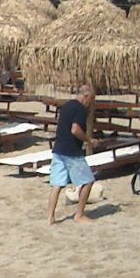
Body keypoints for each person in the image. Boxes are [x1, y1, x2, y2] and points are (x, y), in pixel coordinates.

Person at [46, 83, 99, 224]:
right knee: (88, 181)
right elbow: (75, 129)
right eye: (91, 100)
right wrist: (88, 140)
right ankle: (79, 214)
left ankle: (50, 217)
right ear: (86, 96)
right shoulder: (80, 109)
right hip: (71, 152)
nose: (91, 103)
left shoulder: (67, 105)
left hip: (59, 149)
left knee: (56, 185)